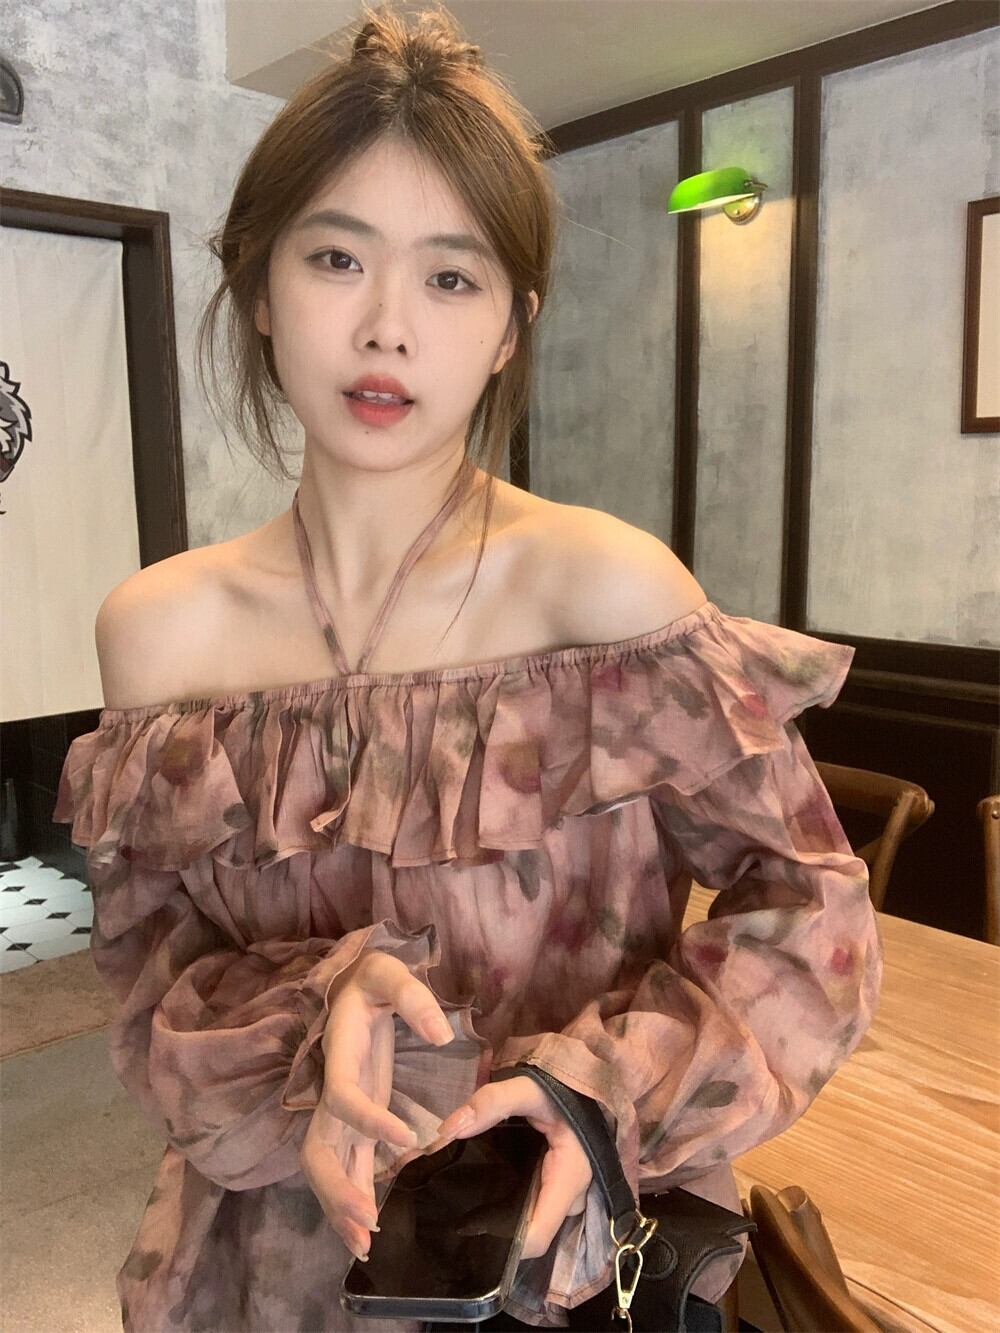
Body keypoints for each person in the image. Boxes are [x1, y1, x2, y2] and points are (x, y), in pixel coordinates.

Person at [54, 4, 884, 1330]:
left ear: (510, 326)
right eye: (338, 258)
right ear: (260, 287)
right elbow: (157, 988)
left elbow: (813, 911)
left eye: (451, 278)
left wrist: (603, 1089)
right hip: (270, 1268)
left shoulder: (606, 595)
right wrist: (313, 1013)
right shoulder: (159, 634)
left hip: (559, 1261)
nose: (388, 328)